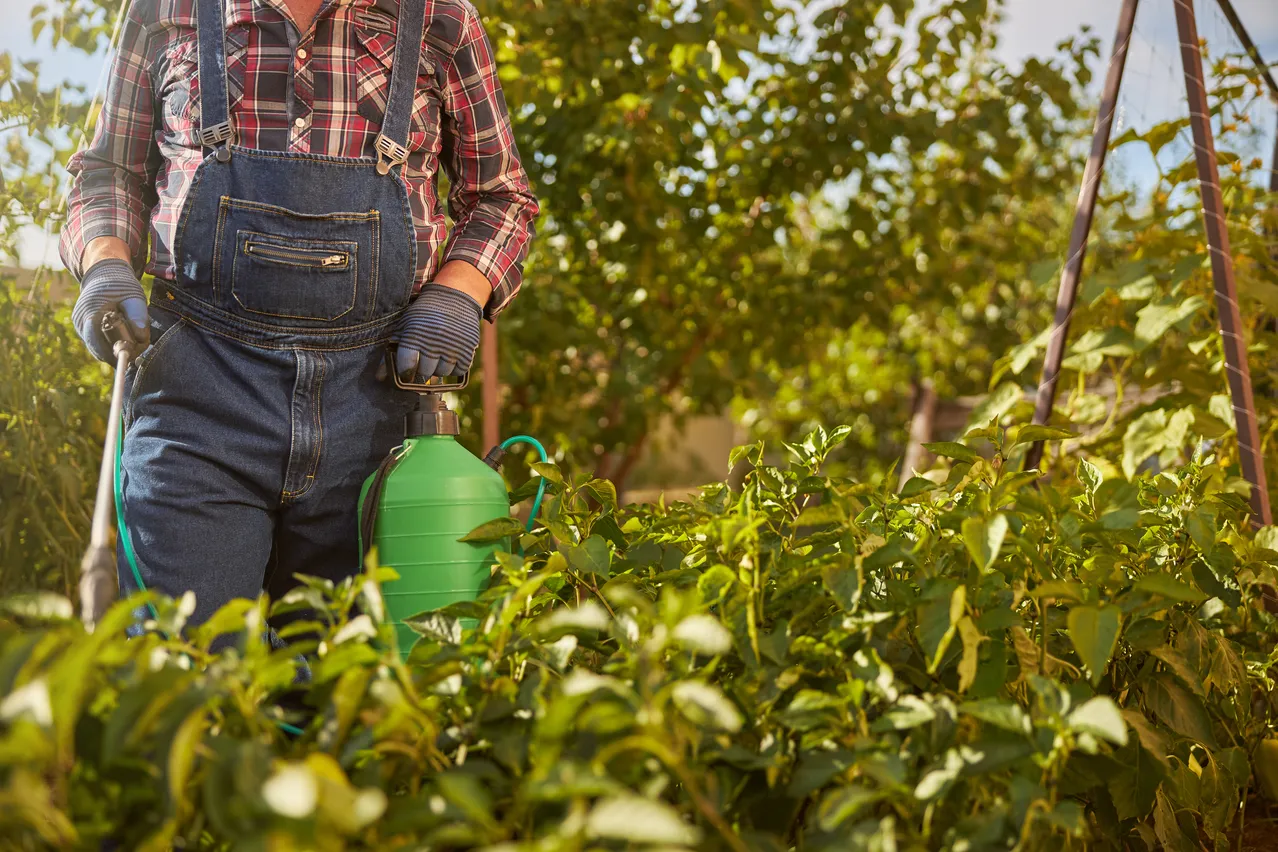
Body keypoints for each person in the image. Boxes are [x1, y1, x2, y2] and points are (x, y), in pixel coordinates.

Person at [59, 0, 538, 641]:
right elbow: (108, 175)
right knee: (188, 670)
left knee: (356, 689)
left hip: (378, 408)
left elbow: (500, 198)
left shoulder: (439, 20)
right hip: (199, 395)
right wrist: (103, 263)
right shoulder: (163, 11)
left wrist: (459, 292)